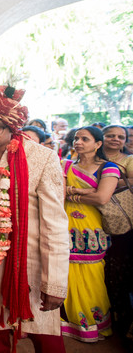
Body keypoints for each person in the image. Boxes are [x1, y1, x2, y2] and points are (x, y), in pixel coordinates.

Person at [0, 85, 70, 353]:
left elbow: (55, 224)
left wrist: (54, 281)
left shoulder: (41, 158)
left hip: (29, 265)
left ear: (13, 127)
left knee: (45, 338)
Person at [61, 126, 119, 342]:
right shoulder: (65, 165)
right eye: (76, 138)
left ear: (98, 144)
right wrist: (85, 192)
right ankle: (70, 325)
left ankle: (93, 326)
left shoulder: (108, 168)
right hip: (65, 228)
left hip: (93, 232)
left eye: (85, 139)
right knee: (67, 274)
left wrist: (73, 193)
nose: (78, 142)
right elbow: (58, 192)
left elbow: (102, 198)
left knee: (93, 277)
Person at [100, 125, 133, 344]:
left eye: (121, 137)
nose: (115, 139)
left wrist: (102, 184)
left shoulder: (129, 160)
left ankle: (121, 319)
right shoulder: (88, 155)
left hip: (121, 223)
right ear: (101, 138)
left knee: (119, 270)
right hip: (92, 220)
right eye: (110, 135)